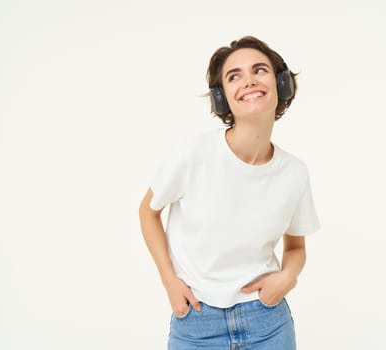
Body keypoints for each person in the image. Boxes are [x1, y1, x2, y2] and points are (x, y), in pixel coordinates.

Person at [139, 35, 320, 349]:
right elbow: (148, 211)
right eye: (234, 76)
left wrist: (287, 278)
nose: (248, 81)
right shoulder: (191, 155)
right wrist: (170, 282)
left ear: (281, 83)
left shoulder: (294, 173)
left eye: (259, 70)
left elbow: (295, 248)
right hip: (197, 322)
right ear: (222, 97)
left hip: (268, 322)